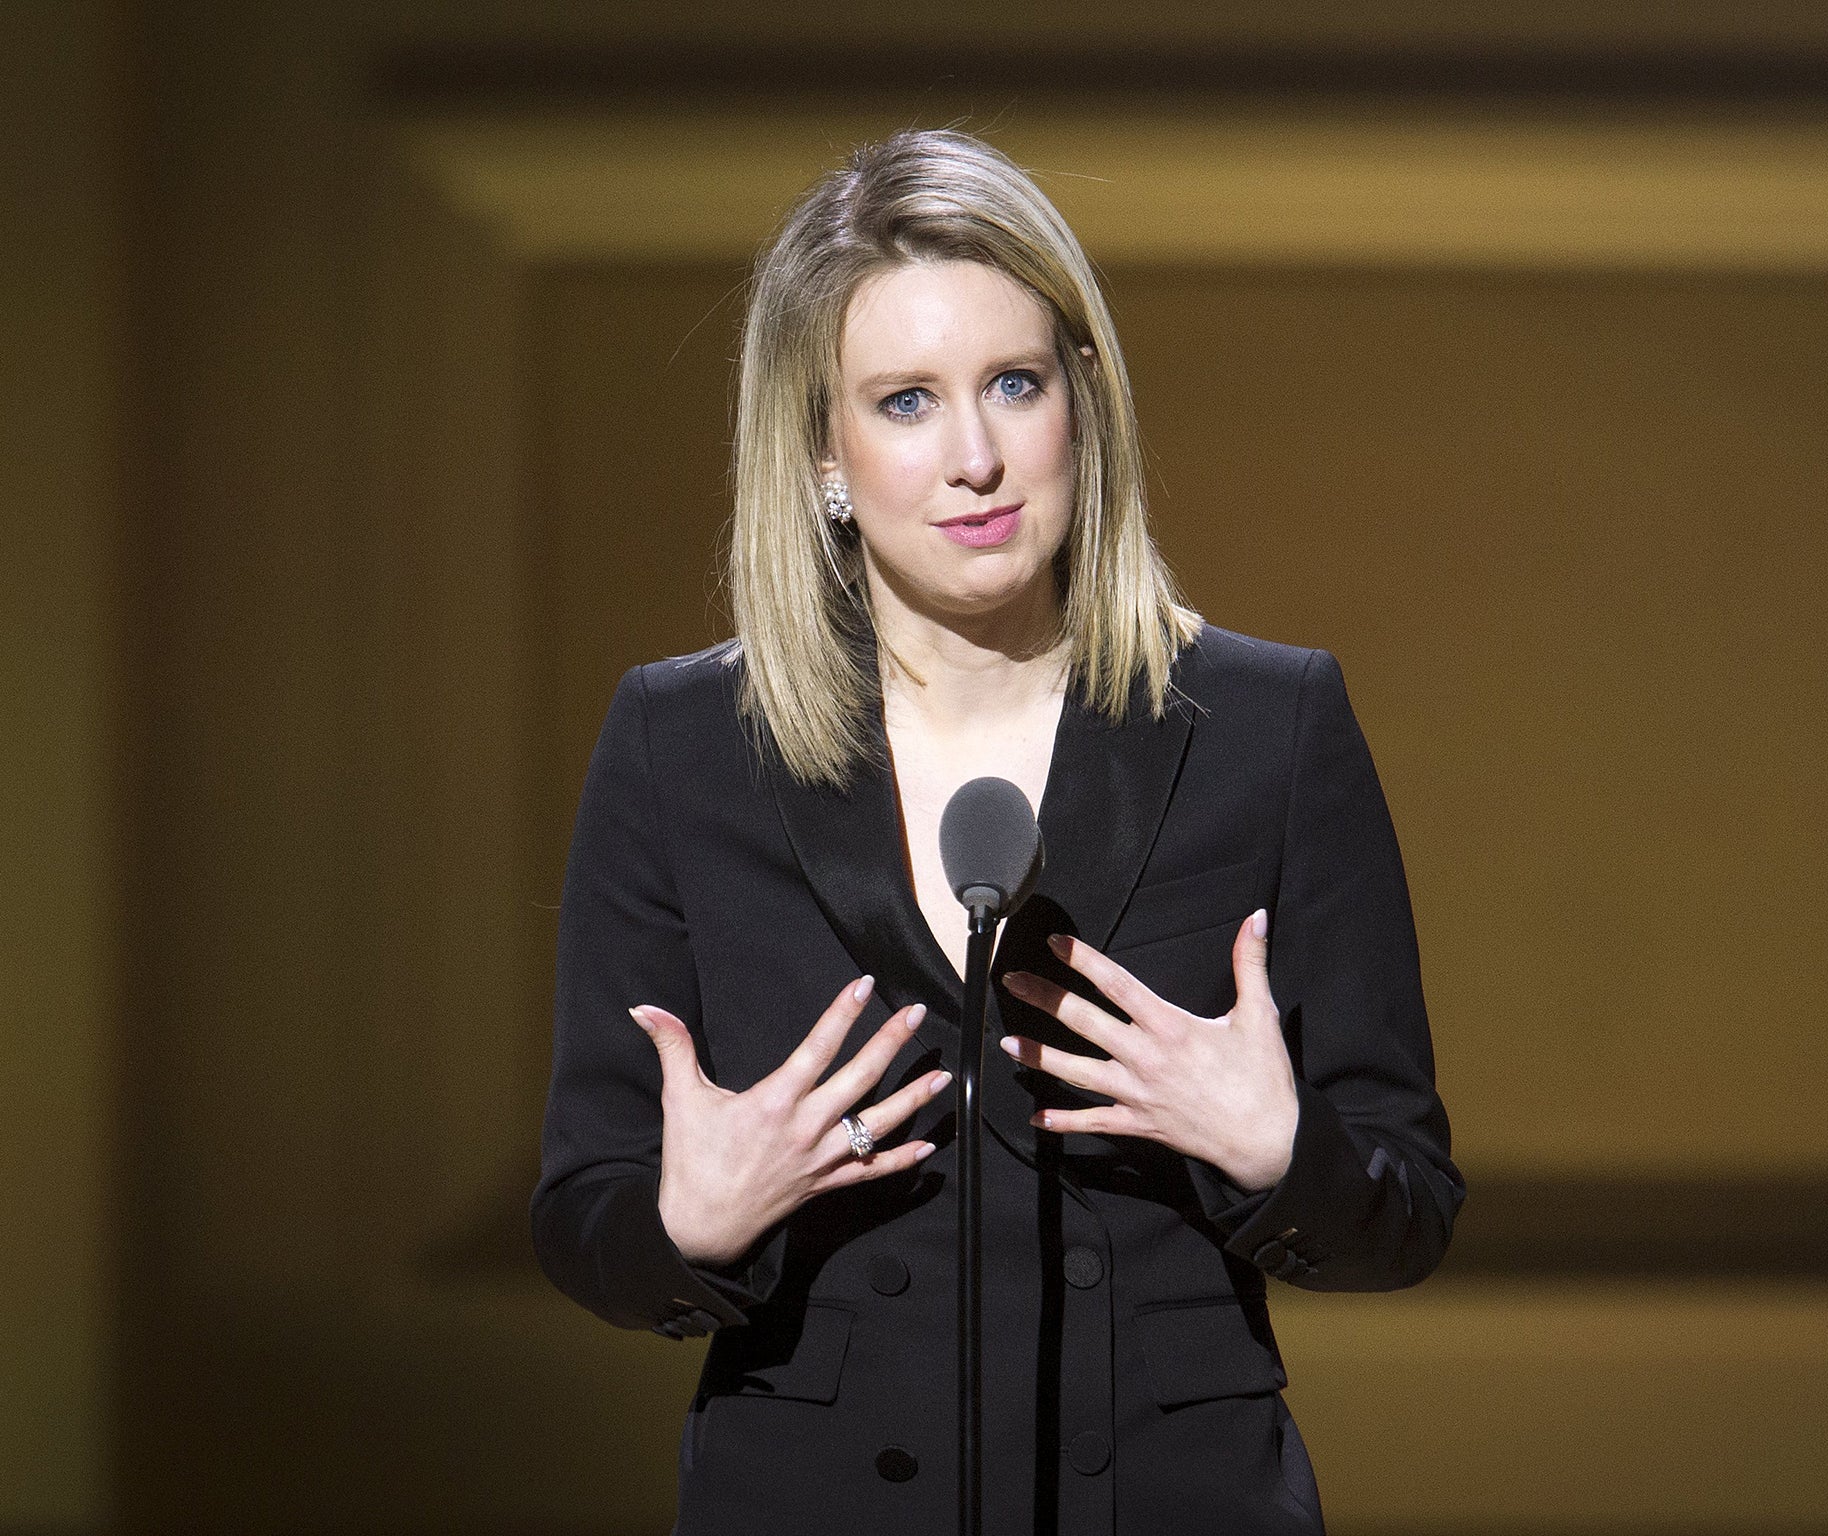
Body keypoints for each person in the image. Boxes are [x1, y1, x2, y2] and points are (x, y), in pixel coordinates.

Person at [532, 128, 1463, 1536]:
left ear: (1081, 405)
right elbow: (587, 1216)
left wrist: (1276, 1150)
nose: (974, 458)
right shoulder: (684, 749)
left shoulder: (1269, 726)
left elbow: (1407, 1211)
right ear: (824, 451)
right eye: (906, 402)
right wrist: (692, 1228)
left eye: (1013, 385)